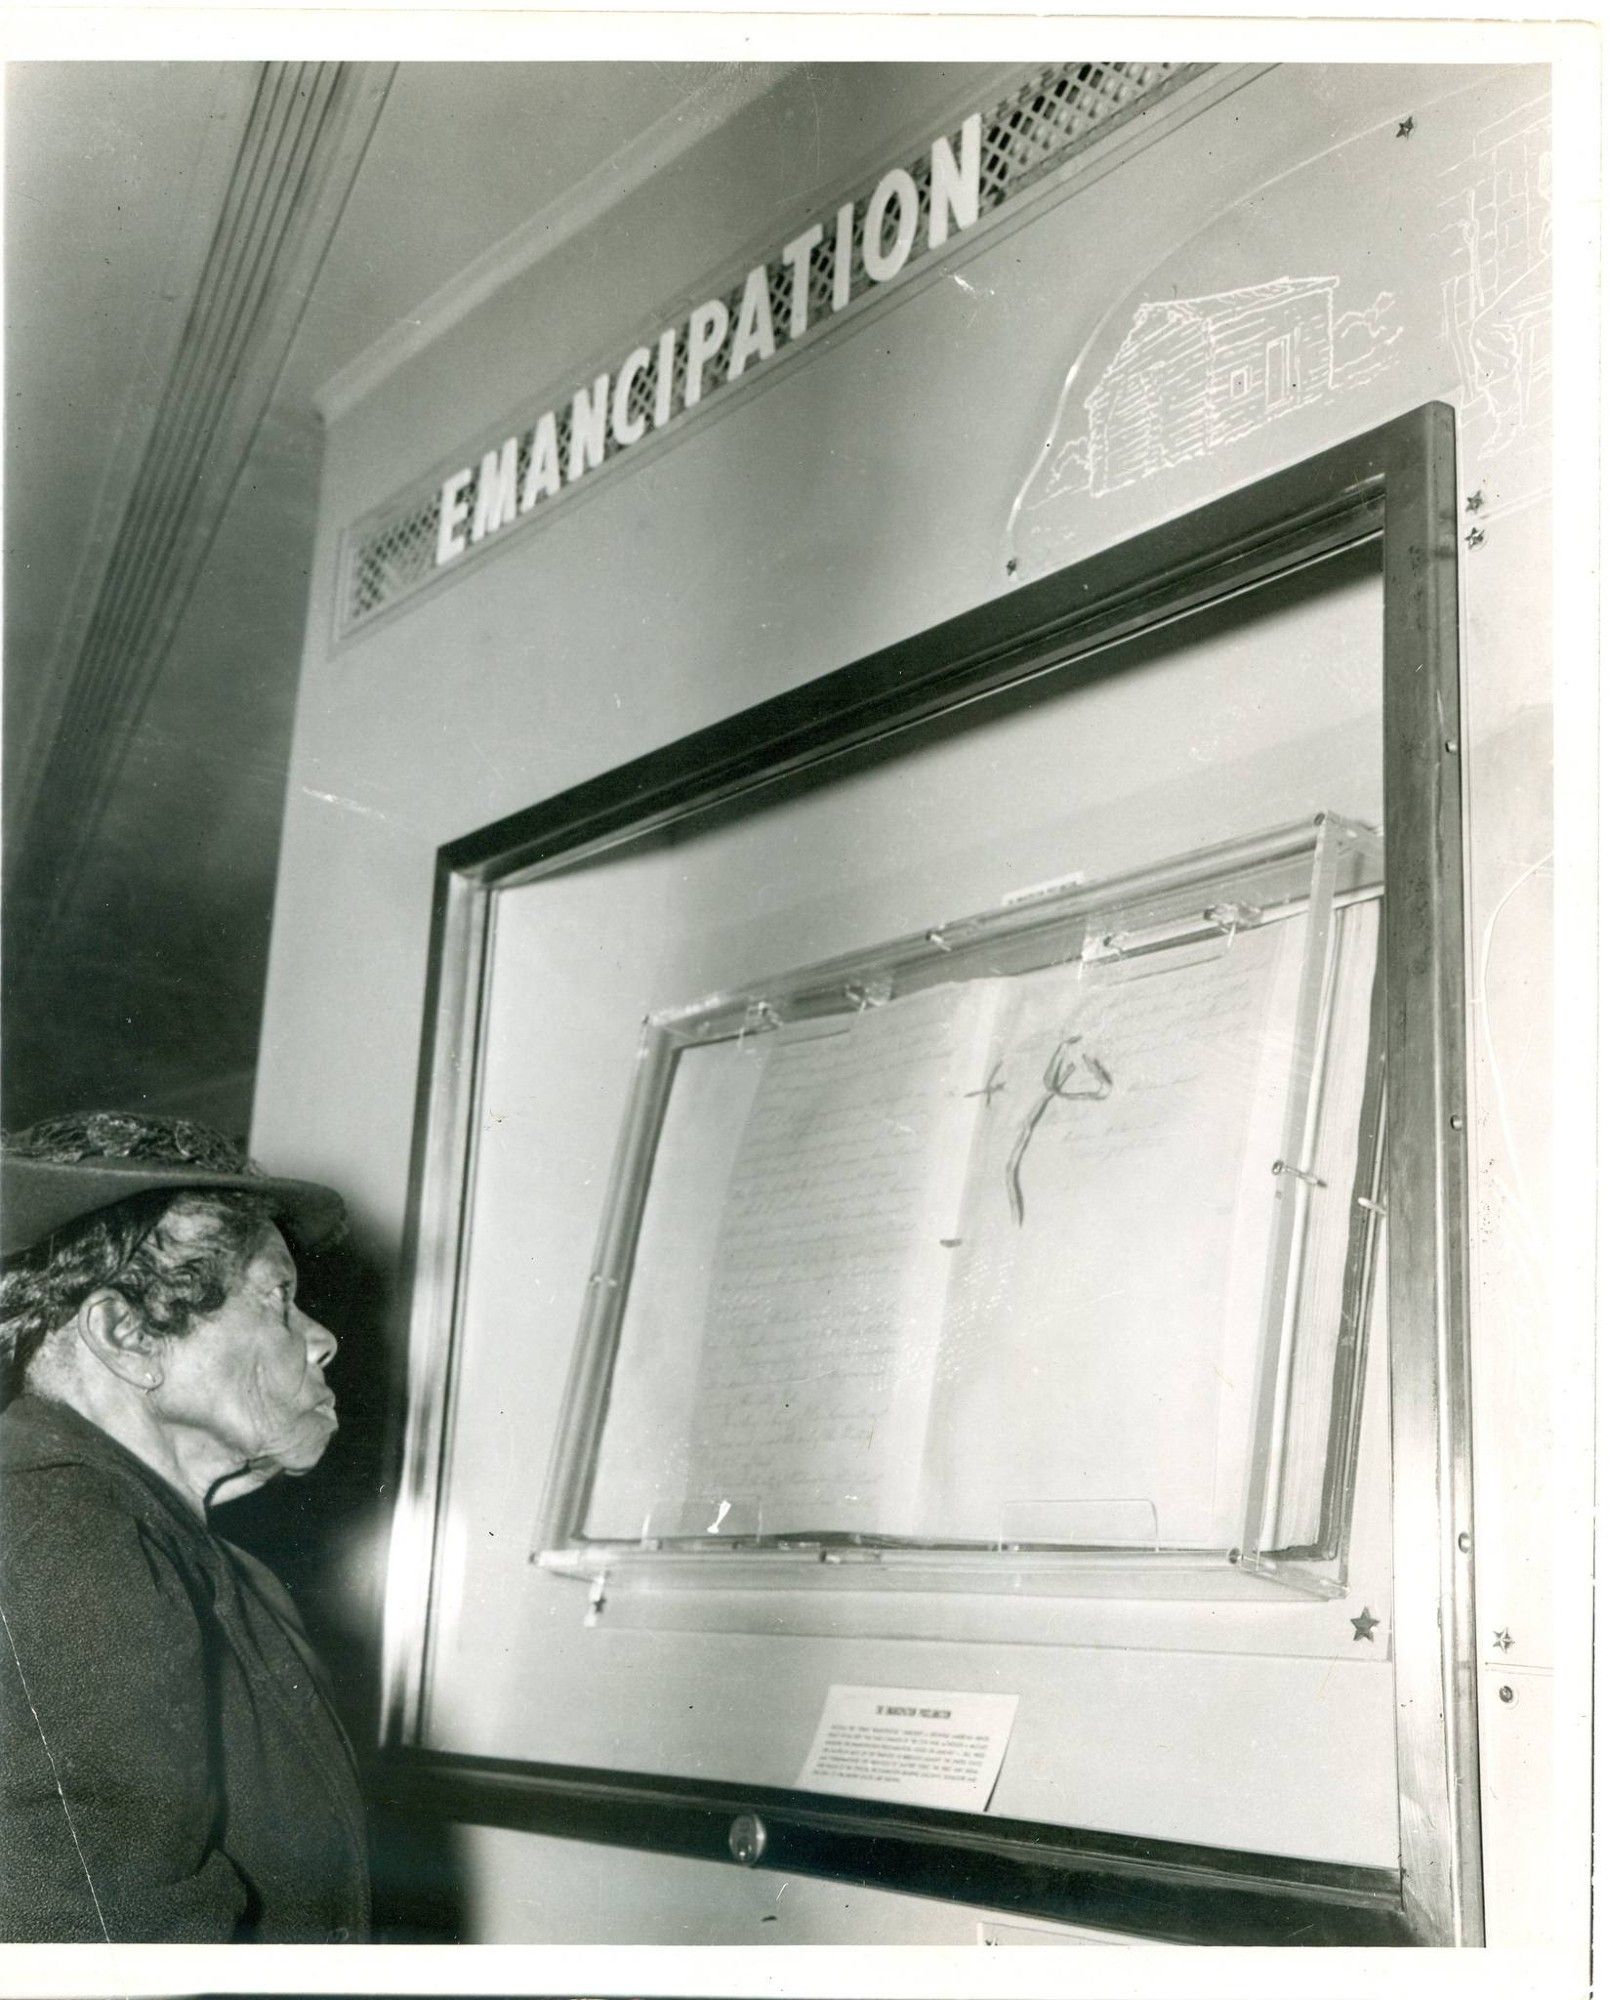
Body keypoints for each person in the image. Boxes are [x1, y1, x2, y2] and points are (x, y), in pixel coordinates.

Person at [0, 1111, 370, 1942]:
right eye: (278, 1300)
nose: (324, 1340)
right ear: (127, 1336)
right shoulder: (62, 1539)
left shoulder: (185, 1552)